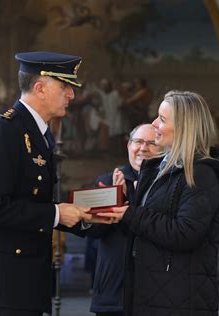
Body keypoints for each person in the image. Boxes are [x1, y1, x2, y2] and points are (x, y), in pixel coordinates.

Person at [0, 51, 106, 316]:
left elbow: (33, 203)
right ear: (40, 88)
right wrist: (56, 213)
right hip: (4, 282)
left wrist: (83, 215)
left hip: (24, 279)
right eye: (65, 87)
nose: (72, 95)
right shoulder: (3, 130)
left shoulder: (36, 132)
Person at [99, 90, 219, 315]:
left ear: (184, 127)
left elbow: (185, 232)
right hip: (151, 292)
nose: (154, 123)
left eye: (162, 119)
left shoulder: (201, 173)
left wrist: (130, 213)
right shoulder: (158, 167)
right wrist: (123, 202)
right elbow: (148, 218)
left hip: (179, 299)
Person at [87, 124, 161, 316]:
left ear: (162, 148)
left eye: (152, 143)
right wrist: (116, 198)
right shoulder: (107, 180)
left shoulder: (166, 184)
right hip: (113, 292)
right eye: (138, 141)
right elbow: (94, 231)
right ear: (129, 145)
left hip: (155, 292)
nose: (143, 148)